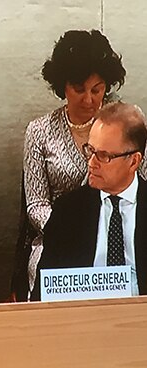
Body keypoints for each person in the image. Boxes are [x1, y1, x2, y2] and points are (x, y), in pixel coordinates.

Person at [11, 29, 133, 301]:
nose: (89, 99)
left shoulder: (123, 126)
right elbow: (36, 204)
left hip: (117, 233)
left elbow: (140, 186)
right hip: (58, 240)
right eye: (79, 90)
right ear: (62, 86)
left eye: (97, 90)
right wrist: (69, 229)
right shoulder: (39, 131)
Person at [31, 102, 147, 300]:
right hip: (80, 322)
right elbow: (42, 296)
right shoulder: (67, 212)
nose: (91, 163)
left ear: (134, 161)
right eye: (90, 150)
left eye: (103, 156)